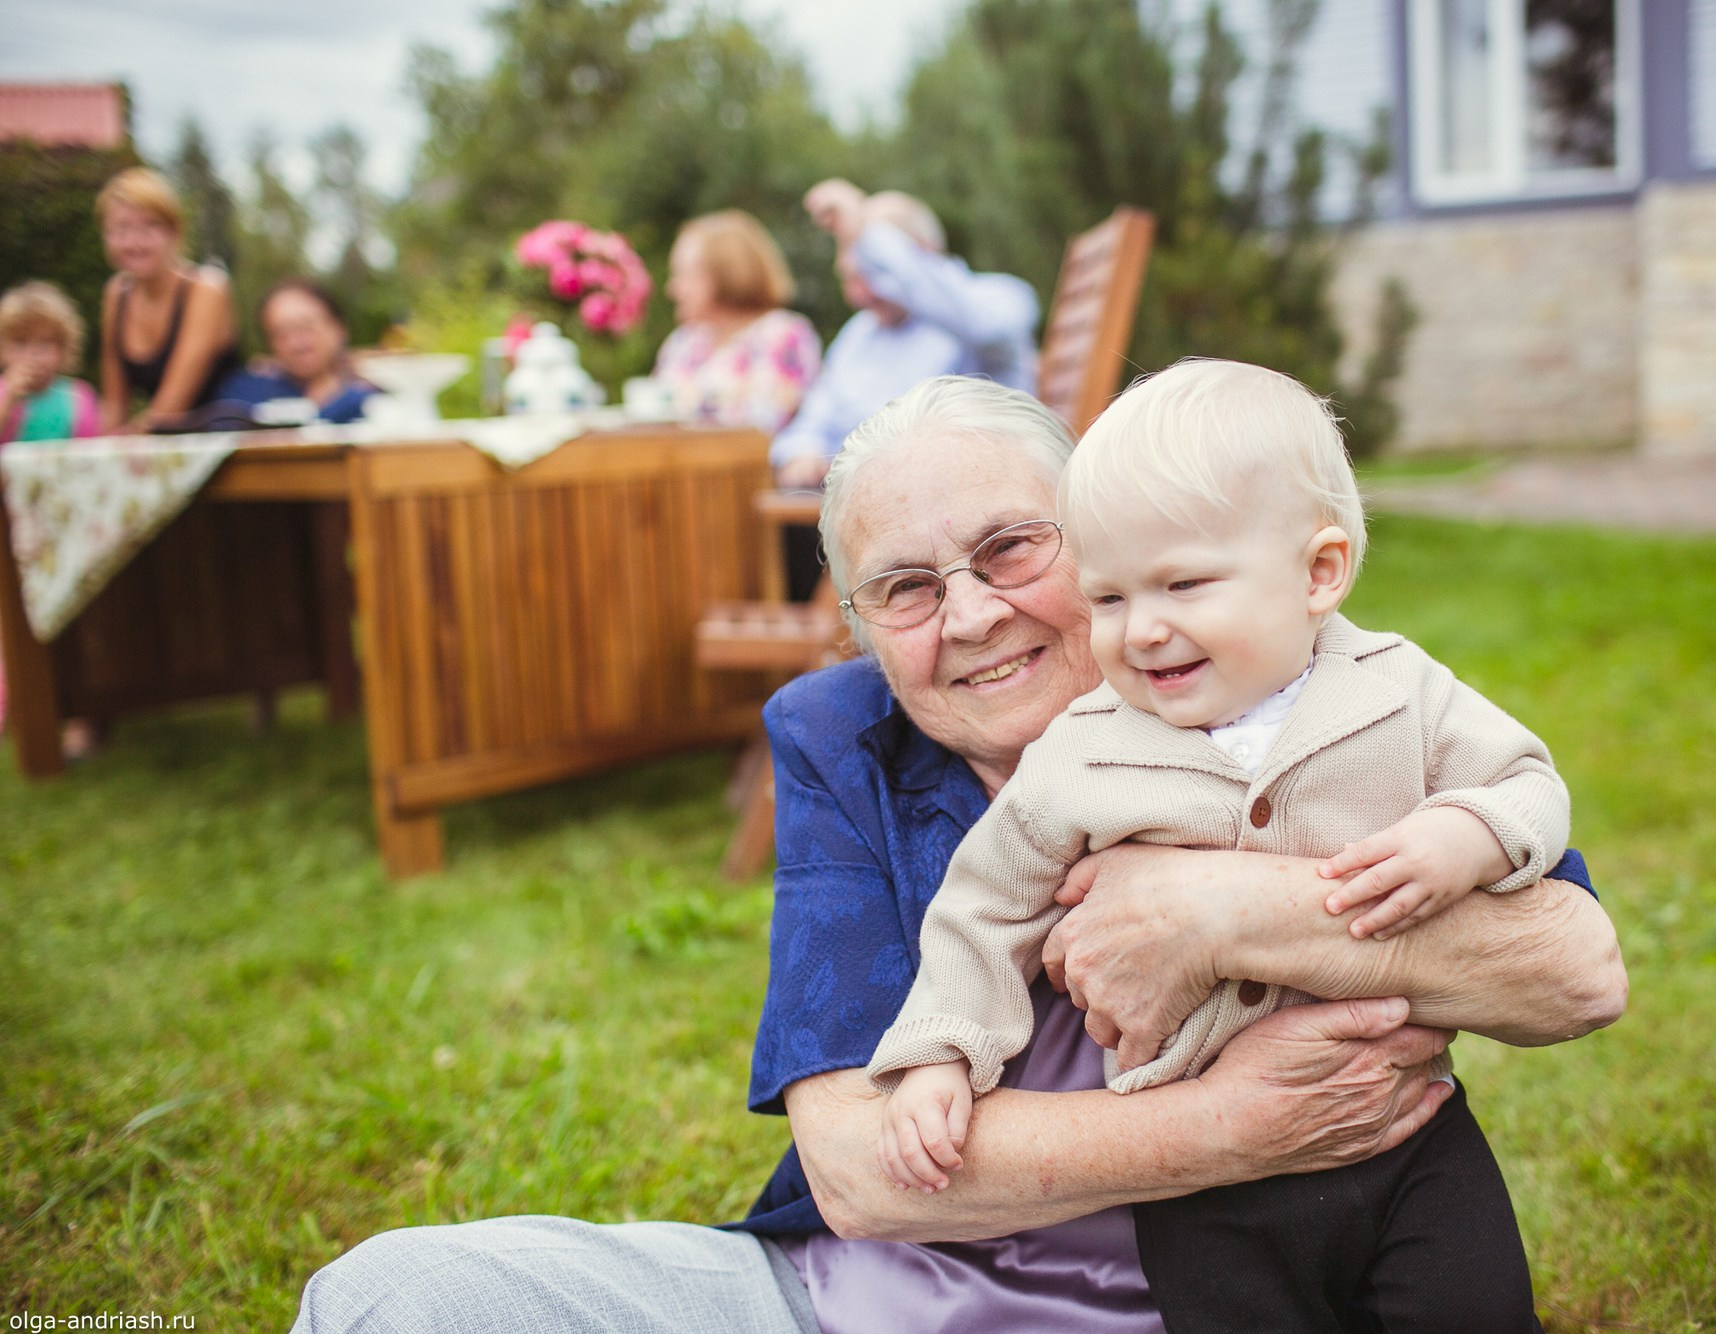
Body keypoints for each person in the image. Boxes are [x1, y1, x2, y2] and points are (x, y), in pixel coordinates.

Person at [289, 377, 1626, 1334]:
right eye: (907, 589)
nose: (973, 615)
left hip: (1218, 1296)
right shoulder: (844, 735)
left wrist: (1217, 907)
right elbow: (861, 1168)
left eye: (1012, 548)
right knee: (389, 1298)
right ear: (864, 627)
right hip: (845, 1307)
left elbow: (1570, 970)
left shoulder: (1301, 694)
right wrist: (1235, 1123)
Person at [869, 360, 1570, 1329]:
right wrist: (942, 1052)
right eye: (1108, 598)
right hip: (1205, 1188)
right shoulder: (1081, 750)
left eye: (1184, 584)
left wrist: (1466, 834)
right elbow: (983, 907)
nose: (1142, 631)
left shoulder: (1395, 689)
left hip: (1403, 1124)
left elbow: (1529, 783)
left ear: (1319, 573)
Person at [766, 180, 1039, 491]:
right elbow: (813, 420)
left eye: (870, 275)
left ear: (924, 252)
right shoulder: (859, 333)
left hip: (971, 491)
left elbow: (980, 326)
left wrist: (863, 230)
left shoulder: (997, 300)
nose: (857, 297)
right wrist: (802, 453)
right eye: (849, 280)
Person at [647, 209, 822, 433]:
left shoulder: (784, 336)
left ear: (725, 272)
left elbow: (775, 421)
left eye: (684, 274)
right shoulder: (682, 342)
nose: (673, 289)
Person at [95, 167, 241, 431]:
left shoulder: (207, 289)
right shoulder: (116, 293)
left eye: (150, 226)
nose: (134, 242)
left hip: (225, 441)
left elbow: (170, 409)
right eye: (121, 229)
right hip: (161, 444)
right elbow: (115, 405)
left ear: (174, 232)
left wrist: (123, 440)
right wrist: (100, 443)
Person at [216, 278, 379, 425]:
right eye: (281, 333)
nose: (296, 343)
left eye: (306, 326)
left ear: (339, 328)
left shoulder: (375, 396)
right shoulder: (244, 396)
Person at [0, 281, 100, 444]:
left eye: (44, 344)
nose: (32, 354)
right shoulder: (3, 393)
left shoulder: (78, 397)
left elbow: (88, 449)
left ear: (63, 349)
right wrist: (10, 397)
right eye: (20, 343)